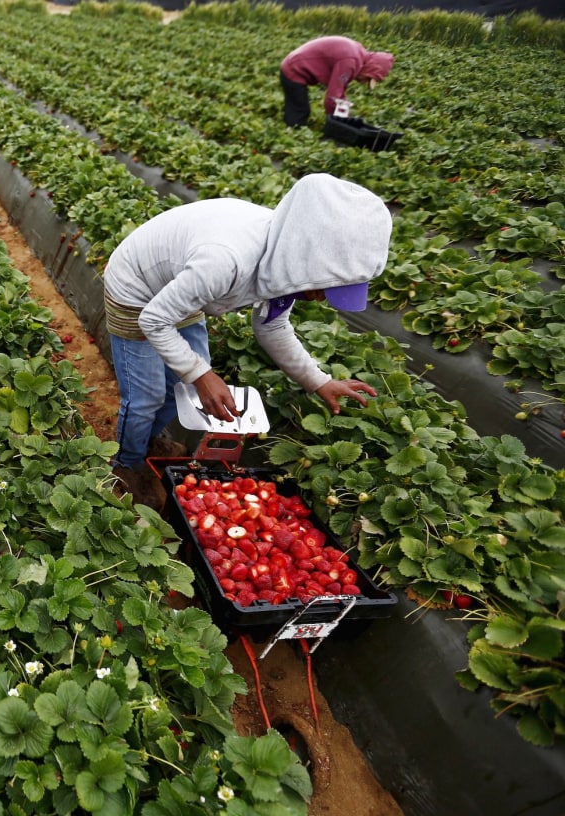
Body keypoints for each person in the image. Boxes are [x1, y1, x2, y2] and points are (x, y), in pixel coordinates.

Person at [102, 173, 390, 505]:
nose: (325, 298)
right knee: (147, 396)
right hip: (137, 290)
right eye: (327, 286)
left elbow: (272, 326)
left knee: (180, 387)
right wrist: (201, 375)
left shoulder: (285, 263)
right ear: (307, 260)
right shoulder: (226, 260)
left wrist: (319, 381)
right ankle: (128, 463)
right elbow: (153, 319)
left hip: (184, 292)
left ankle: (150, 439)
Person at [280, 36, 394, 128]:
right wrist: (339, 124)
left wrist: (344, 115)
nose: (363, 82)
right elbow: (332, 99)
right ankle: (294, 135)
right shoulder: (351, 62)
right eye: (367, 79)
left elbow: (339, 90)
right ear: (371, 69)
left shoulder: (358, 55)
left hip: (296, 62)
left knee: (298, 106)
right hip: (294, 68)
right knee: (299, 112)